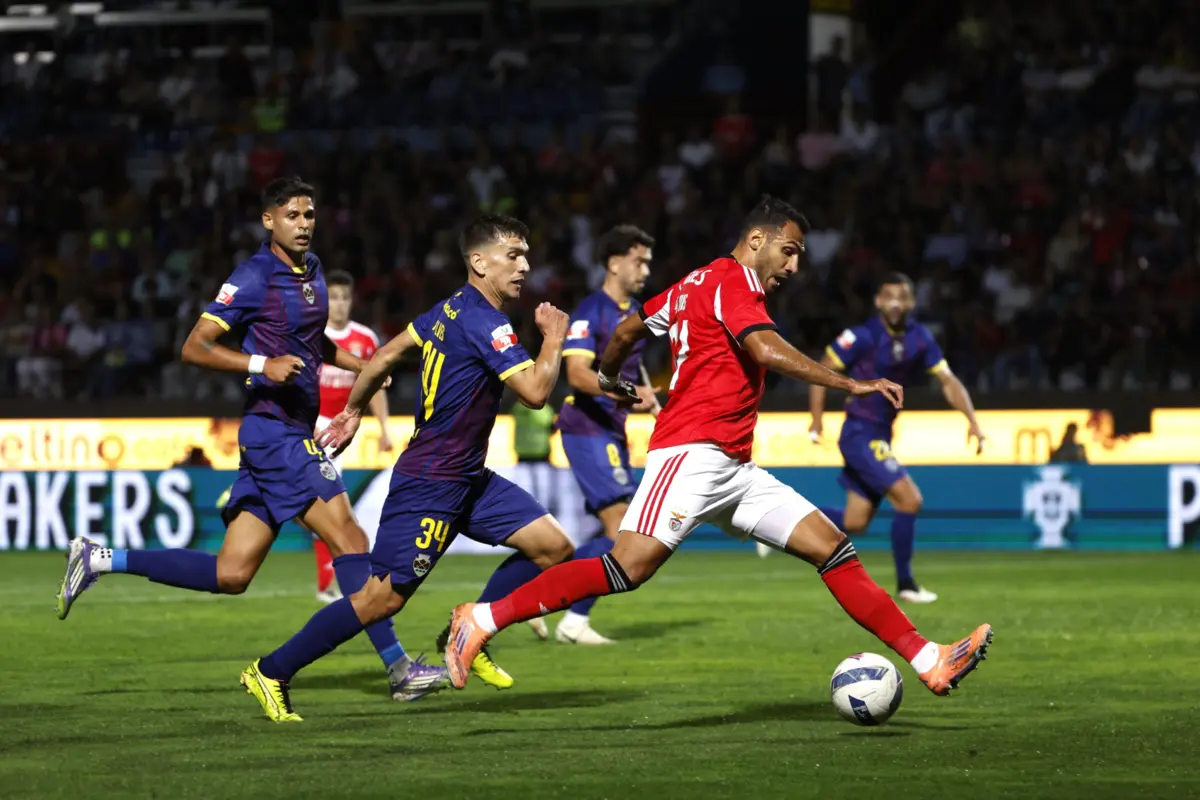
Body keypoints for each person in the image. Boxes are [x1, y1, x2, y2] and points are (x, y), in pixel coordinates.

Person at [442, 196, 994, 698]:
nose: (794, 266)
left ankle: (930, 659)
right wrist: (851, 383)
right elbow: (767, 351)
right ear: (758, 241)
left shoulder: (690, 284)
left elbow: (631, 331)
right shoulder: (734, 282)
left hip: (733, 467)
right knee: (623, 569)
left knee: (832, 547)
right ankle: (482, 619)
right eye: (790, 250)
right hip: (689, 455)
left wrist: (610, 377)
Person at [55, 177, 447, 703]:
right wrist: (261, 363)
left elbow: (313, 345)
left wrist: (364, 365)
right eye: (293, 215)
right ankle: (399, 668)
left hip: (281, 434)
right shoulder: (253, 276)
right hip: (275, 433)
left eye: (310, 215)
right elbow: (194, 347)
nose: (304, 224)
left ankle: (99, 558)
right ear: (269, 220)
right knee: (351, 542)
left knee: (232, 572)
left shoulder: (313, 271)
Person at [238, 214, 578, 722]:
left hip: (468, 478)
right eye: (514, 255)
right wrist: (553, 338)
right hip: (432, 483)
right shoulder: (489, 321)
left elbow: (388, 353)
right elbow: (533, 393)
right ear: (479, 263)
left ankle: (471, 629)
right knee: (379, 602)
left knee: (554, 547)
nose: (525, 265)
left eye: (526, 255)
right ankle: (271, 670)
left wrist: (353, 409)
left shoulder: (448, 310)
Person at [803, 273, 985, 604]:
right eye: (889, 296)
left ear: (912, 303)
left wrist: (972, 420)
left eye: (902, 296)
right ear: (878, 301)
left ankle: (783, 519)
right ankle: (906, 584)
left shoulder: (920, 338)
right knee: (910, 499)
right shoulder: (862, 336)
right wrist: (816, 421)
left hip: (880, 434)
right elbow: (820, 372)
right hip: (860, 432)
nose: (896, 303)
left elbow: (947, 380)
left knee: (854, 522)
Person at [551, 224, 660, 644]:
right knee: (622, 530)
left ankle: (550, 599)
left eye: (648, 261)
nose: (645, 269)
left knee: (615, 531)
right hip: (586, 429)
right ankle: (570, 618)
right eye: (639, 260)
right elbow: (576, 374)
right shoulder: (589, 311)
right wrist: (631, 393)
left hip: (611, 433)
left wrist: (641, 397)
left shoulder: (636, 313)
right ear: (614, 263)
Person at [312, 270, 395, 603]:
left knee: (326, 505)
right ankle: (335, 580)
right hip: (313, 426)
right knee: (330, 504)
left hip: (343, 428)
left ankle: (331, 580)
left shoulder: (364, 339)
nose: (340, 304)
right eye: (333, 297)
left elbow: (374, 387)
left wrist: (385, 428)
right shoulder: (311, 335)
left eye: (345, 298)